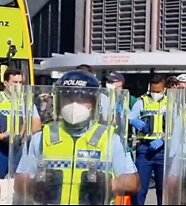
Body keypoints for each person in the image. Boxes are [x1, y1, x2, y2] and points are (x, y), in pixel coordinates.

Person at [12, 70, 139, 205]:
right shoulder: (42, 138)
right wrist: (34, 186)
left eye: (82, 99)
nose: (74, 105)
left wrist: (109, 186)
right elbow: (20, 179)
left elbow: (133, 182)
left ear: (95, 104)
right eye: (68, 98)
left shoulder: (110, 139)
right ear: (59, 102)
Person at [129, 74, 167, 205]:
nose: (155, 93)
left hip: (163, 151)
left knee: (163, 190)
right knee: (140, 189)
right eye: (153, 91)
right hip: (144, 150)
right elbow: (130, 116)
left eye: (158, 91)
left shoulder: (171, 103)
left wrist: (164, 140)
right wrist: (133, 120)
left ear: (164, 89)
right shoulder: (142, 102)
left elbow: (176, 127)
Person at [0, 68, 42, 179]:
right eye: (15, 82)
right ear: (5, 83)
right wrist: (2, 136)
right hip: (1, 147)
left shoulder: (25, 101)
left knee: (13, 181)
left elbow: (37, 124)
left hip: (17, 148)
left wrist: (22, 133)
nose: (18, 86)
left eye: (20, 83)